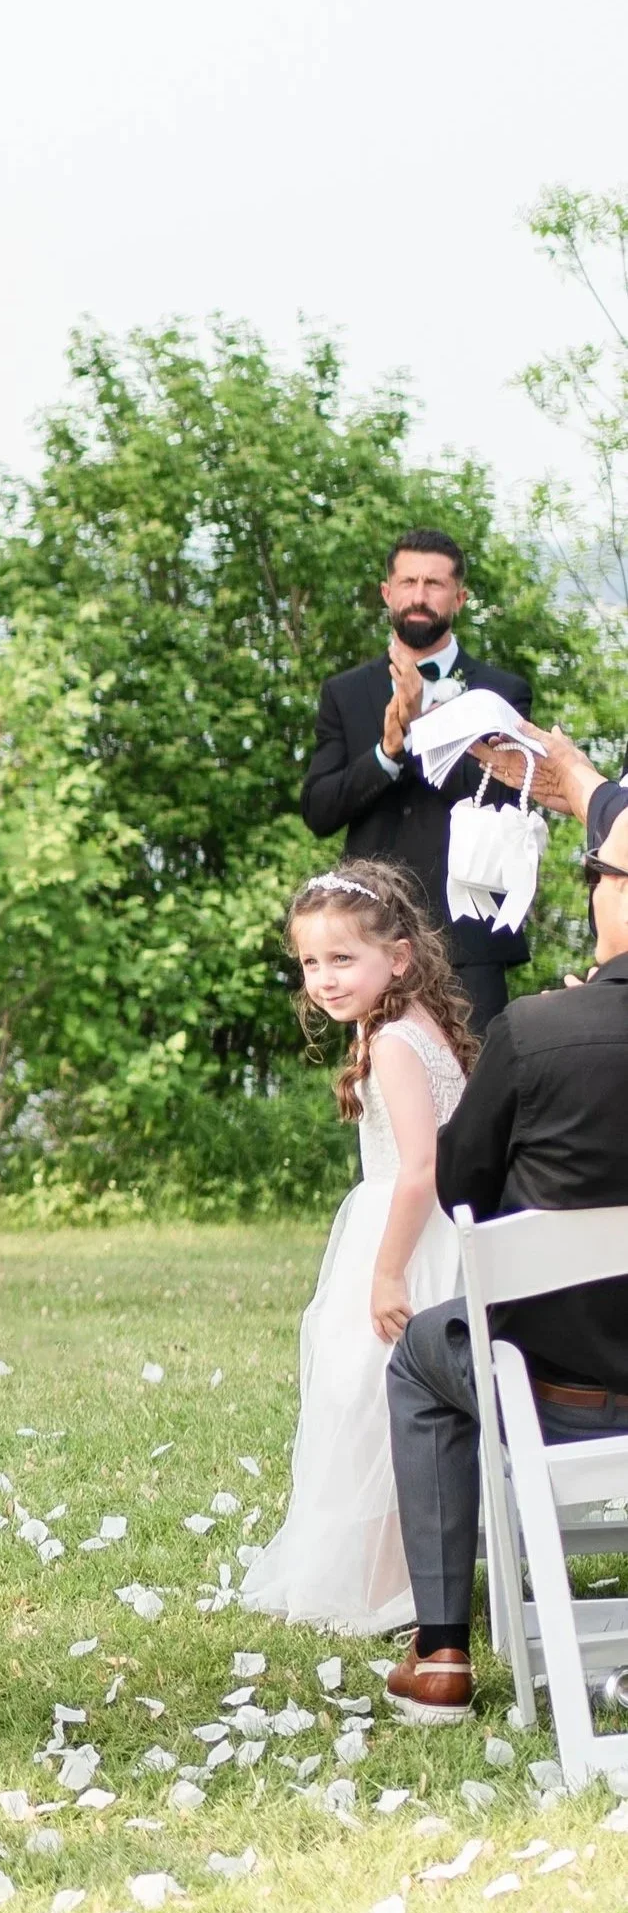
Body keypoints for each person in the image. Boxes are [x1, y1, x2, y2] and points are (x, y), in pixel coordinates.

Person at [378, 797, 628, 1722]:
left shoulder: (537, 1031)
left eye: (595, 871)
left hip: (557, 1387)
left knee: (419, 1357)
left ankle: (441, 1652)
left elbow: (462, 1189)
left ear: (615, 896)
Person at [240, 865, 473, 1633]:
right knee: (365, 1401)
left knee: (374, 1403)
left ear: (399, 957)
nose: (325, 979)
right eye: (311, 963)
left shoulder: (399, 1042)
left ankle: (388, 1586)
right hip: (417, 1231)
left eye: (344, 959)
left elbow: (421, 1168)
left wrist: (384, 1270)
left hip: (405, 1237)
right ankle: (395, 1572)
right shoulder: (412, 1025)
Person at [301, 529, 531, 1034]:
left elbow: (503, 792)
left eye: (434, 583)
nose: (420, 596)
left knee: (477, 1097)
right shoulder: (345, 692)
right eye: (408, 582)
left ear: (460, 597)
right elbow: (319, 810)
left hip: (469, 938)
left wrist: (423, 718)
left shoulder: (502, 691)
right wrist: (387, 750)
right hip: (370, 940)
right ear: (387, 592)